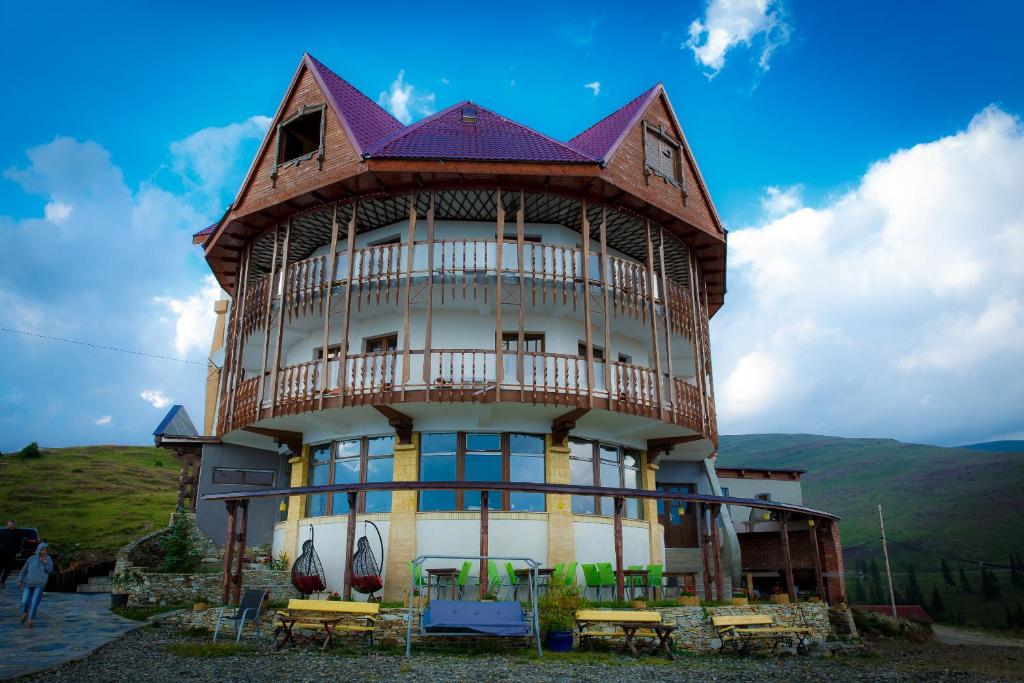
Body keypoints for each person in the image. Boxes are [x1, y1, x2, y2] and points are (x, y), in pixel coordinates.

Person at [17, 542, 53, 627]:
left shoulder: (48, 559)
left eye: (46, 550)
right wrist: (20, 580)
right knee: (24, 601)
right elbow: (24, 570)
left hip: (40, 584)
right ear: (39, 550)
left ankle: (31, 620)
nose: (44, 552)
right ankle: (24, 613)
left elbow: (49, 570)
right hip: (28, 583)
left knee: (34, 602)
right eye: (43, 550)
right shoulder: (31, 558)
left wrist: (45, 562)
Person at [0, 520, 18, 588]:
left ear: (15, 525)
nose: (11, 525)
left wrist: (18, 551)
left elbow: (19, 543)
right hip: (2, 553)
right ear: (7, 525)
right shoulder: (2, 532)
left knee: (9, 568)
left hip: (12, 553)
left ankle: (2, 581)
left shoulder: (17, 533)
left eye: (12, 524)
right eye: (10, 524)